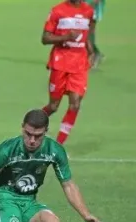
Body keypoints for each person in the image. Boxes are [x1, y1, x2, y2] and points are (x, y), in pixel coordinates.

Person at [40, 0, 95, 145]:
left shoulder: (88, 11)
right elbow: (45, 38)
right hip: (60, 62)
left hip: (80, 64)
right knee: (53, 106)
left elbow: (87, 34)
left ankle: (59, 145)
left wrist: (91, 50)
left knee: (75, 104)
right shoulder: (57, 10)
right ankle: (31, 125)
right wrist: (66, 37)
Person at [85, 0, 106, 68]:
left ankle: (93, 55)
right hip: (81, 4)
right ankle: (95, 53)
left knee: (89, 30)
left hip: (92, 5)